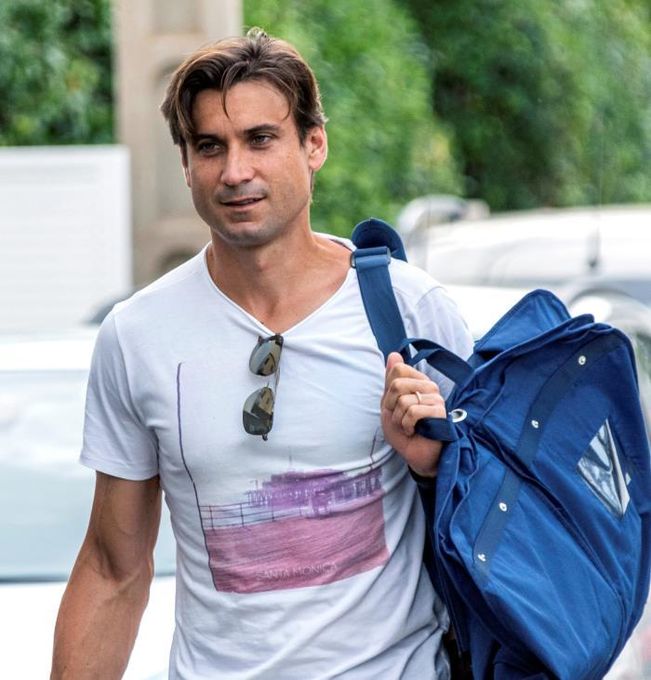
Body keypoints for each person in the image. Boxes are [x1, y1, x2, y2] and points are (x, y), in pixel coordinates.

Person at [51, 28, 473, 679]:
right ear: (186, 164)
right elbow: (113, 568)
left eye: (260, 139)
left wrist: (429, 466)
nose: (235, 171)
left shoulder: (411, 311)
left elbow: (493, 523)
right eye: (209, 147)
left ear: (314, 144)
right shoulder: (137, 336)